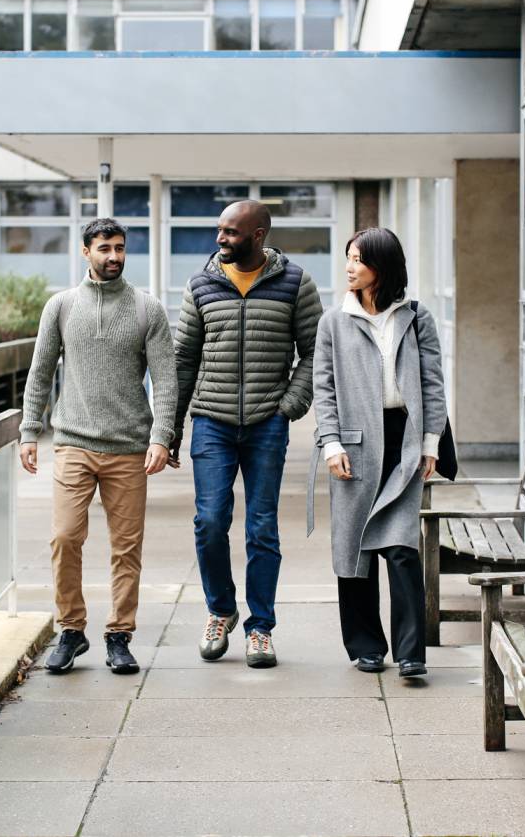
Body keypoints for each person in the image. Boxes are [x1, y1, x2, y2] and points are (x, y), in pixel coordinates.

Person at [19, 218, 177, 675]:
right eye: (104, 248)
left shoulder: (148, 310)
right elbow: (40, 372)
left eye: (120, 248)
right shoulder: (62, 307)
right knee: (66, 537)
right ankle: (71, 630)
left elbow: (166, 382)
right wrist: (31, 430)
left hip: (129, 446)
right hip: (73, 442)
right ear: (85, 252)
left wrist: (161, 436)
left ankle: (119, 635)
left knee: (126, 547)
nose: (114, 256)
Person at [170, 200, 322, 668]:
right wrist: (170, 430)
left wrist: (288, 407)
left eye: (231, 232)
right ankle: (220, 610)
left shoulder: (295, 283)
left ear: (258, 235)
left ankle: (260, 628)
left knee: (262, 529)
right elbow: (182, 361)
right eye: (219, 230)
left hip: (266, 425)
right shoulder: (201, 284)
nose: (221, 239)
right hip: (211, 422)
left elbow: (315, 354)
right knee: (210, 522)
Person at [309, 227, 446, 678]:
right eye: (348, 258)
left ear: (381, 268)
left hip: (404, 440)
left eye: (358, 260)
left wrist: (430, 444)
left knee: (403, 547)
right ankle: (366, 646)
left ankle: (411, 654)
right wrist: (329, 443)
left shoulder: (415, 317)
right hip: (354, 444)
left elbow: (432, 384)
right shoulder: (333, 322)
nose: (349, 267)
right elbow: (323, 388)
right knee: (355, 551)